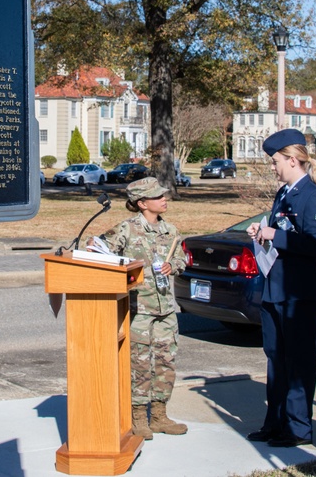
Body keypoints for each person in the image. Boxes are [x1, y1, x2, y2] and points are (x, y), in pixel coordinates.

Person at [244, 129, 316, 448]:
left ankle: (298, 427)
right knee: (276, 358)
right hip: (276, 289)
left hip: (299, 295)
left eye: (276, 161)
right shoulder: (284, 194)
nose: (273, 167)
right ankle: (275, 421)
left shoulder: (312, 195)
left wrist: (274, 235)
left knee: (297, 361)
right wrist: (262, 233)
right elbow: (280, 232)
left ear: (292, 160)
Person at [100, 176, 187, 440]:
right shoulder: (126, 229)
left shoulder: (170, 230)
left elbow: (181, 257)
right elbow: (101, 253)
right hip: (139, 308)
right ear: (141, 203)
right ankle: (138, 418)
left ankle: (159, 416)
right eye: (158, 196)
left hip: (165, 309)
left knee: (165, 361)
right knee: (138, 364)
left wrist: (176, 266)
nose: (164, 199)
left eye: (163, 195)